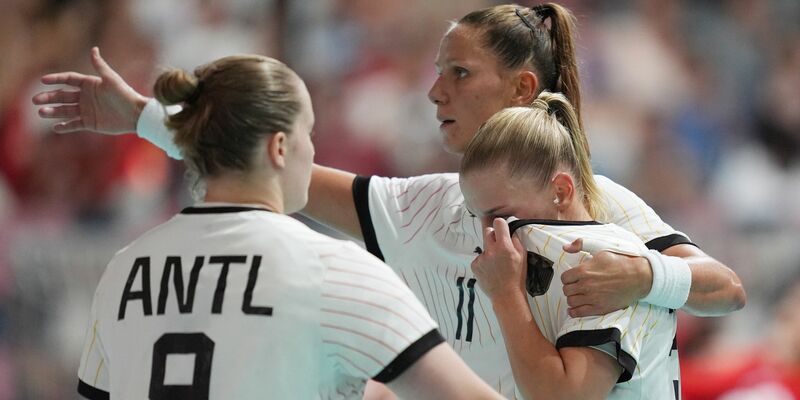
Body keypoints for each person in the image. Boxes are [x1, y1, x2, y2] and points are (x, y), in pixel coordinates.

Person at [33, 3, 745, 397]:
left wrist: (649, 275)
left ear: (523, 90)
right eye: (436, 72)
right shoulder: (417, 206)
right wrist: (145, 120)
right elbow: (268, 172)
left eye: (459, 73)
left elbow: (726, 288)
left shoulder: (593, 206)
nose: (435, 91)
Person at [71, 52, 502, 400]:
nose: (312, 151)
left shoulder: (125, 269)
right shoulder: (334, 269)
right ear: (279, 146)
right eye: (308, 134)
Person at [461, 91, 680, 399]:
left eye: (502, 216)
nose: (490, 236)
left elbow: (565, 396)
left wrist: (504, 295)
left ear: (561, 191)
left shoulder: (599, 260)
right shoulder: (539, 256)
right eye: (478, 217)